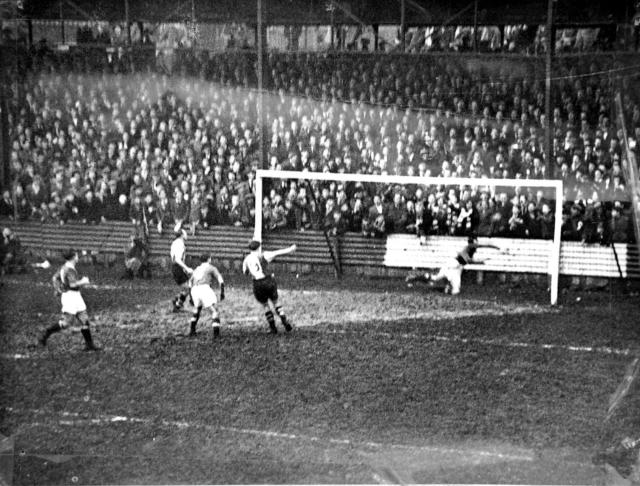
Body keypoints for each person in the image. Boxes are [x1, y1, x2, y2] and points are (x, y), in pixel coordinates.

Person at [39, 249, 100, 351]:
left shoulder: (64, 267)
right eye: (76, 255)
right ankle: (45, 334)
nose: (77, 257)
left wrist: (58, 289)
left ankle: (89, 345)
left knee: (84, 319)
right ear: (73, 257)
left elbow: (55, 278)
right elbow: (72, 284)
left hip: (75, 296)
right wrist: (84, 281)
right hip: (70, 297)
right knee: (67, 323)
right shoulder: (70, 269)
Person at [405, 236, 507, 295]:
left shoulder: (469, 252)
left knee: (455, 291)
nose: (477, 243)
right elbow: (486, 245)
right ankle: (414, 278)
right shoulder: (470, 246)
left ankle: (445, 287)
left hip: (457, 268)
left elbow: (473, 261)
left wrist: (486, 259)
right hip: (453, 265)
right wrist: (499, 248)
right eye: (476, 241)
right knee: (435, 278)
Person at [242, 240, 296, 334]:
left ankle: (273, 327)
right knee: (276, 302)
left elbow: (245, 273)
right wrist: (290, 249)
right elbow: (278, 252)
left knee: (265, 305)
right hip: (268, 280)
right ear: (259, 247)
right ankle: (284, 320)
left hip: (257, 283)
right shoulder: (264, 255)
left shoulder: (246, 259)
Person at [188, 253, 225, 337]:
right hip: (204, 288)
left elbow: (190, 282)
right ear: (209, 259)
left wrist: (190, 296)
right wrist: (222, 292)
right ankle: (216, 334)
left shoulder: (197, 269)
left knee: (197, 309)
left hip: (194, 289)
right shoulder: (211, 268)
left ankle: (192, 330)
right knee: (214, 310)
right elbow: (220, 280)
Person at [170, 227, 193, 312]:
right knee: (189, 287)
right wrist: (186, 268)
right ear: (182, 235)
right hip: (177, 268)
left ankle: (177, 300)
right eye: (185, 233)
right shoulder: (179, 244)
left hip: (177, 268)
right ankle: (177, 304)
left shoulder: (176, 243)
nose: (186, 235)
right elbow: (177, 259)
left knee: (189, 286)